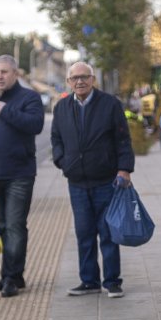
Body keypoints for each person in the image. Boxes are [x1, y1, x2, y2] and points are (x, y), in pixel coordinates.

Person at [51, 62, 135, 299]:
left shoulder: (110, 105)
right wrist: (62, 161)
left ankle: (112, 281)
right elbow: (55, 138)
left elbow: (123, 140)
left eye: (84, 77)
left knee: (108, 233)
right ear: (69, 82)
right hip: (76, 181)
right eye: (75, 78)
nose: (80, 82)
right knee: (84, 232)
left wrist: (124, 169)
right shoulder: (62, 107)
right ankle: (89, 281)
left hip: (106, 180)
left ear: (93, 79)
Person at [0, 54, 45, 298]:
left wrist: (6, 111)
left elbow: (35, 125)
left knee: (14, 225)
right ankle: (10, 275)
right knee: (3, 226)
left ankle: (12, 277)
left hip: (19, 174)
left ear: (15, 74)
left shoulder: (29, 98)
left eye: (4, 72)